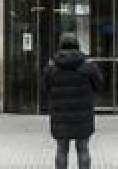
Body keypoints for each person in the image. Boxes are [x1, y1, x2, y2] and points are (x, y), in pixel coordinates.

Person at [42, 32, 103, 169]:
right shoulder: (88, 65)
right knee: (83, 149)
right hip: (83, 114)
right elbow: (99, 84)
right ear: (77, 45)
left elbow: (45, 88)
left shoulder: (52, 66)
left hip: (60, 114)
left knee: (62, 149)